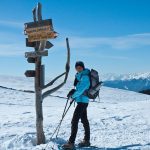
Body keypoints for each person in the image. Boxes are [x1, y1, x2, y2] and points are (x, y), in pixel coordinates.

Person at [63, 61, 91, 149]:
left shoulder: (85, 77)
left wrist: (72, 96)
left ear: (83, 67)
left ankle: (71, 143)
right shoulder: (80, 76)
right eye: (77, 67)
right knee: (84, 120)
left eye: (80, 67)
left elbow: (80, 90)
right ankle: (86, 140)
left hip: (83, 102)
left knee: (74, 121)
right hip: (82, 101)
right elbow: (78, 89)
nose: (78, 69)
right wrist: (73, 92)